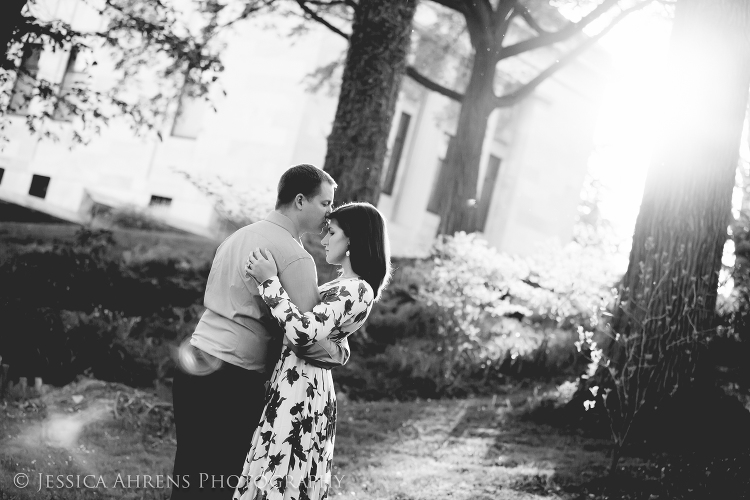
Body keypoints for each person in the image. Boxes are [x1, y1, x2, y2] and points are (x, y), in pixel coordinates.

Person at [171, 164, 350, 500]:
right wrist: (340, 351)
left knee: (189, 469)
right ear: (300, 201)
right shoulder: (295, 257)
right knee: (222, 476)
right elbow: (308, 338)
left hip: (193, 361)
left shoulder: (236, 237)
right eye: (325, 204)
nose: (330, 213)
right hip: (233, 376)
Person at [234, 202, 391, 500]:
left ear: (353, 240)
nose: (323, 240)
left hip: (303, 390)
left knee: (281, 476)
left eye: (332, 232)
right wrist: (337, 347)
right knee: (273, 473)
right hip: (295, 381)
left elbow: (304, 331)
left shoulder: (357, 289)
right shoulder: (343, 285)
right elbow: (322, 331)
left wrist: (269, 281)